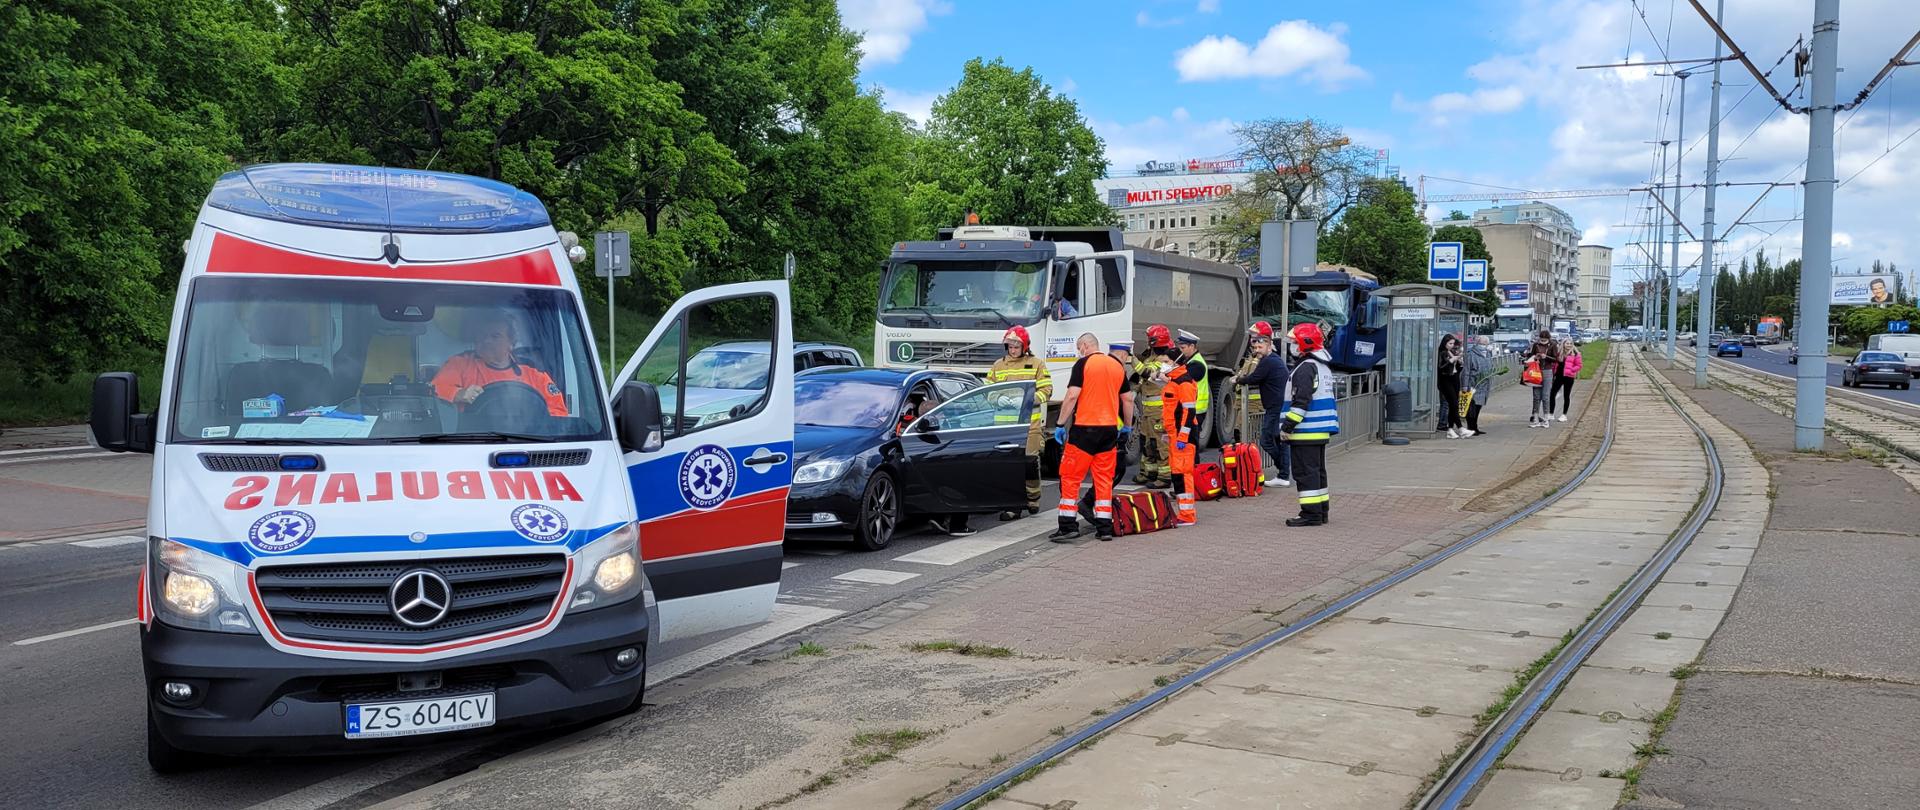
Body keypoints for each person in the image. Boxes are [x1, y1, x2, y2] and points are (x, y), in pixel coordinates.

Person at [1051, 333, 1131, 541]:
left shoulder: (1083, 364)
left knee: (1070, 477)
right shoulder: (1116, 366)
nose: (1079, 351)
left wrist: (1060, 424)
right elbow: (1128, 400)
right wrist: (1127, 427)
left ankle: (1068, 527)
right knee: (1104, 479)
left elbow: (1072, 396)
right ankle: (1104, 528)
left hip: (1084, 430)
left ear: (1085, 345)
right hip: (1109, 431)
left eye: (1079, 347)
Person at [432, 312, 567, 417]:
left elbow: (558, 411)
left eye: (495, 336)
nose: (487, 341)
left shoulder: (533, 372)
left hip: (526, 438)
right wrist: (457, 393)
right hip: (470, 438)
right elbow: (431, 392)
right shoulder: (460, 364)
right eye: (482, 335)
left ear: (511, 343)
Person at [986, 325, 1052, 520]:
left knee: (1030, 463)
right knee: (1009, 466)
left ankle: (1033, 498)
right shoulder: (998, 365)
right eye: (1010, 347)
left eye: (1016, 347)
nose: (1013, 350)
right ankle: (1013, 504)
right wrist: (997, 399)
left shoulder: (1036, 364)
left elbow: (1047, 390)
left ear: (1025, 347)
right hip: (1004, 427)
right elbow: (987, 390)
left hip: (1030, 425)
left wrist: (1028, 400)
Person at [1278, 323, 1339, 527]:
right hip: (1318, 430)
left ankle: (1310, 514)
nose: (1292, 346)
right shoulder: (1321, 366)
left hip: (1305, 430)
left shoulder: (1305, 368)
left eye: (1295, 342)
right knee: (1317, 473)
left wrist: (1287, 427)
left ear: (1305, 343)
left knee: (1305, 473)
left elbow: (1300, 401)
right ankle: (1321, 511)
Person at [1229, 322, 1292, 486]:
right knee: (1279, 441)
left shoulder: (1268, 361)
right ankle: (1283, 475)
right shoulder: (1272, 359)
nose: (1256, 349)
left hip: (1275, 407)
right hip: (1278, 405)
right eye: (1255, 345)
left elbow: (1254, 378)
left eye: (1260, 345)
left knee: (1266, 441)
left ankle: (1283, 471)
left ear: (1269, 345)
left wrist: (1238, 380)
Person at [1162, 340, 1203, 527]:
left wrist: (1182, 437)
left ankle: (1187, 515)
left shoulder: (1184, 382)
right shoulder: (1175, 380)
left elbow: (1189, 412)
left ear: (1175, 362)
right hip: (1176, 435)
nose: (1163, 365)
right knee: (1177, 474)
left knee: (1184, 474)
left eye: (1166, 362)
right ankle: (1183, 512)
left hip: (1183, 436)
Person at [1131, 325, 1176, 487]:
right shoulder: (1151, 357)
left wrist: (1131, 358)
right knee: (1147, 442)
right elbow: (1143, 380)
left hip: (1159, 411)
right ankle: (1148, 473)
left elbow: (1146, 372)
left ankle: (1164, 477)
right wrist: (1134, 391)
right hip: (1148, 410)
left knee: (1160, 443)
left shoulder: (1164, 360)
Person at [1174, 329, 1211, 435]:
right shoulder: (1190, 360)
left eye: (1183, 348)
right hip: (1191, 408)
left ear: (1192, 346)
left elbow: (1183, 380)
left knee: (1190, 439)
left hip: (1195, 409)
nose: (1180, 351)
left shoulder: (1197, 364)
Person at [1463, 335, 1498, 437]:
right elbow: (1466, 371)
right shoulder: (1471, 355)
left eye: (1485, 344)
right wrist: (1465, 385)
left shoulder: (1487, 353)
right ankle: (1471, 427)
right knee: (1472, 407)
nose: (1484, 346)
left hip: (1484, 385)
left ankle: (1475, 427)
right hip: (1473, 384)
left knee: (1478, 406)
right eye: (1482, 344)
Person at [1437, 334, 1470, 438]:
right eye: (1450, 343)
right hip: (1445, 380)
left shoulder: (1451, 352)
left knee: (1453, 405)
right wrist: (1451, 360)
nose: (1451, 345)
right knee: (1453, 404)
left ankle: (1450, 429)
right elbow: (1441, 367)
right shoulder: (1442, 353)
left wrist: (1459, 362)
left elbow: (1457, 369)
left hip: (1454, 379)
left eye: (1453, 343)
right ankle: (1460, 428)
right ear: (1444, 343)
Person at [1550, 339, 1582, 422]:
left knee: (1566, 395)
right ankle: (1551, 413)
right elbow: (1555, 363)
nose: (1569, 345)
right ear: (1563, 344)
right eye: (1567, 343)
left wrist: (1571, 370)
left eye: (1570, 343)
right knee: (1552, 393)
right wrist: (1553, 372)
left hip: (1569, 377)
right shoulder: (1559, 353)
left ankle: (1564, 415)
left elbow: (1579, 365)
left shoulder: (1576, 354)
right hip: (1559, 376)